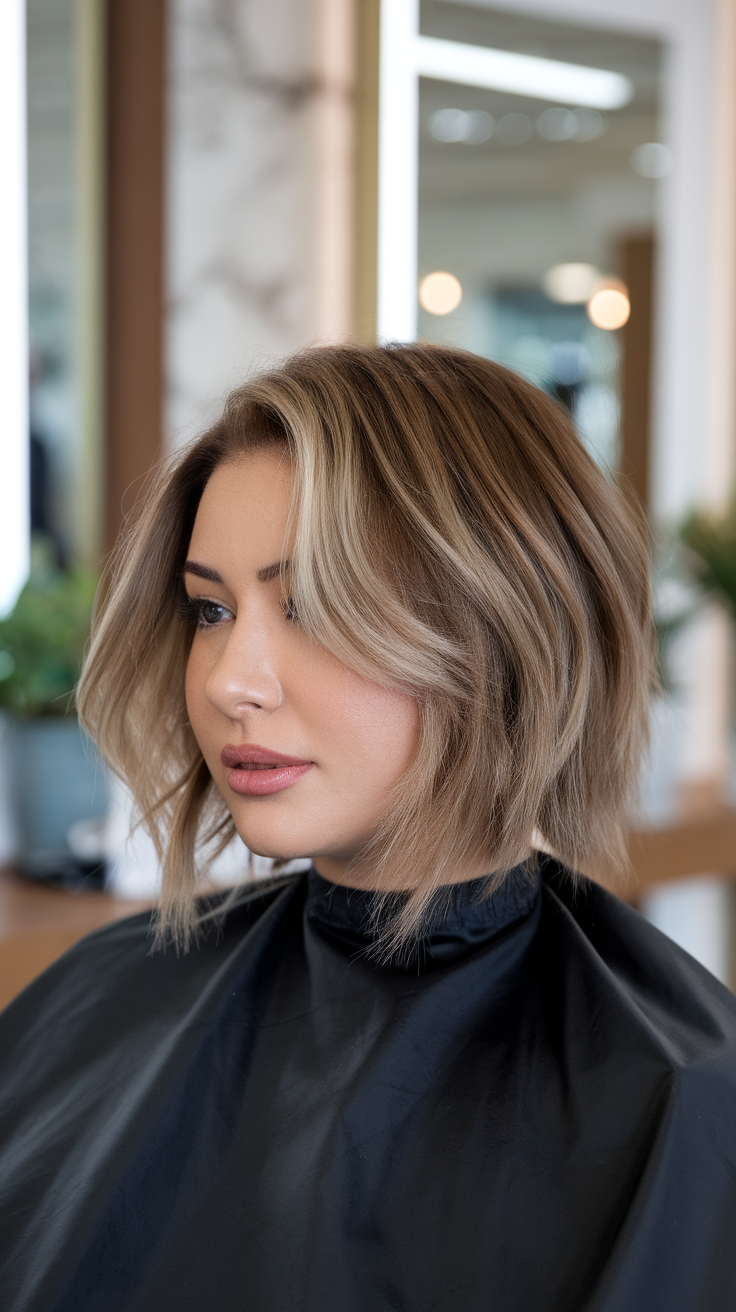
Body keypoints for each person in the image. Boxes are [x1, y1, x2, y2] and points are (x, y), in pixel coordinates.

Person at [1, 344, 735, 1312]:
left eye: (311, 606)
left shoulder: (674, 1101)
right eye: (210, 608)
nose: (229, 680)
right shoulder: (96, 993)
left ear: (503, 626)